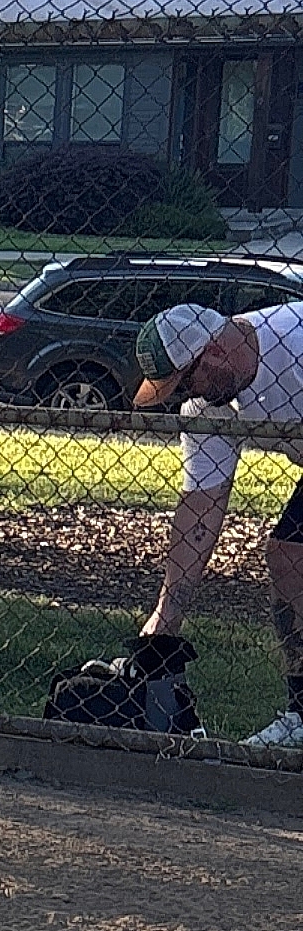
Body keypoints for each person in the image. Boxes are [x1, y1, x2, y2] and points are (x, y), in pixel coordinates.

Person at [130, 299, 303, 755]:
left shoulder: (296, 342)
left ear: (214, 354)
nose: (188, 396)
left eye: (186, 381)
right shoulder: (211, 405)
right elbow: (201, 510)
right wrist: (166, 617)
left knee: (291, 552)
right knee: (289, 556)